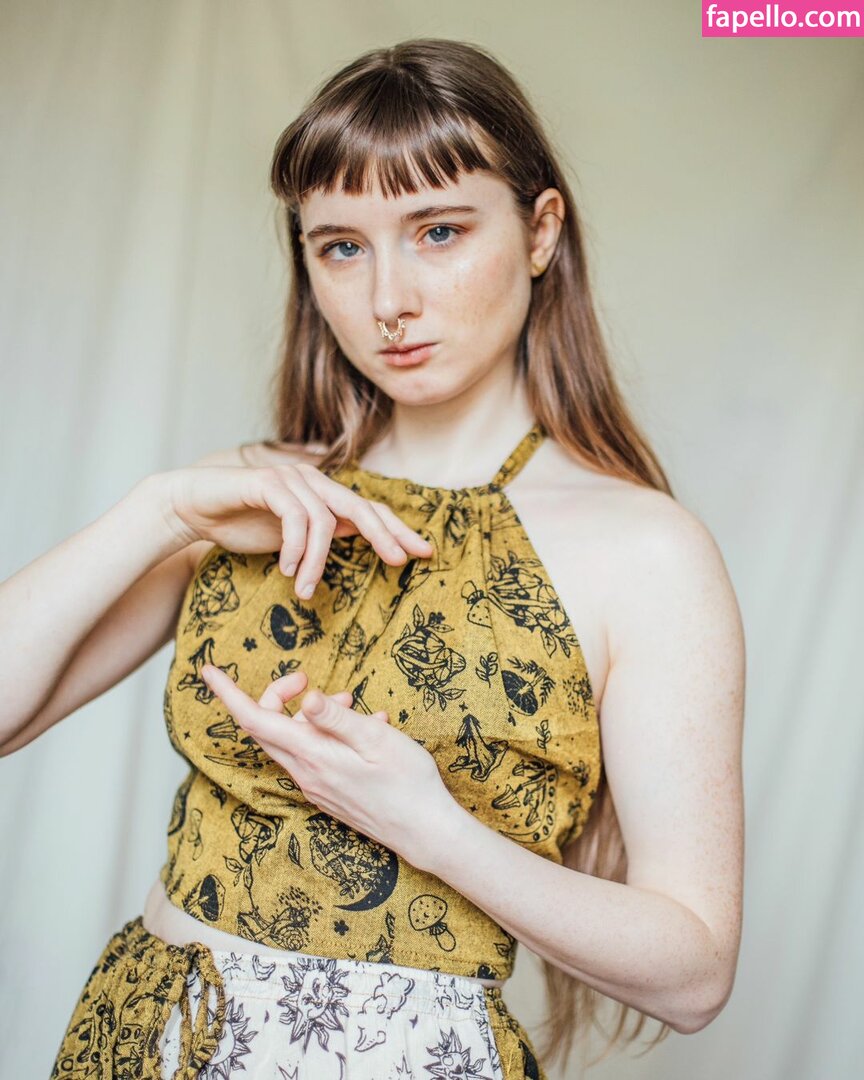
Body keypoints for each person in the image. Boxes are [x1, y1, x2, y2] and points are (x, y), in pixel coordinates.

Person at [1, 37, 745, 1080]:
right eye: (342, 247)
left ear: (540, 231)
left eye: (438, 231)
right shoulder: (255, 496)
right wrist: (158, 510)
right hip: (153, 1038)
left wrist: (429, 827)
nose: (389, 297)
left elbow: (695, 972)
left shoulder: (646, 552)